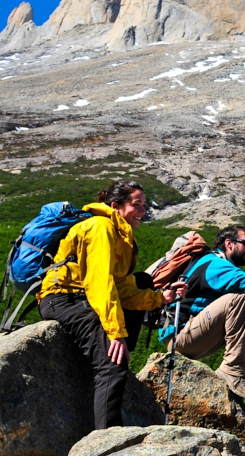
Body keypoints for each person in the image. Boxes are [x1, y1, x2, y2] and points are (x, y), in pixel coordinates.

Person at [38, 181, 185, 429]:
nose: (143, 211)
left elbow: (122, 288)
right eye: (136, 205)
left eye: (144, 205)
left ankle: (116, 367)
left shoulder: (119, 233)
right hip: (62, 298)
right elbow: (100, 284)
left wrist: (160, 298)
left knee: (143, 281)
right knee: (112, 364)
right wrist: (115, 334)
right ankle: (106, 444)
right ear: (116, 206)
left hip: (79, 297)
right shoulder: (100, 228)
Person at [159, 225, 245, 400]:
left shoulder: (216, 264)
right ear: (229, 243)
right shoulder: (215, 263)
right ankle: (233, 372)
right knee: (239, 299)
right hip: (180, 337)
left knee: (244, 302)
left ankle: (234, 373)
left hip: (187, 335)